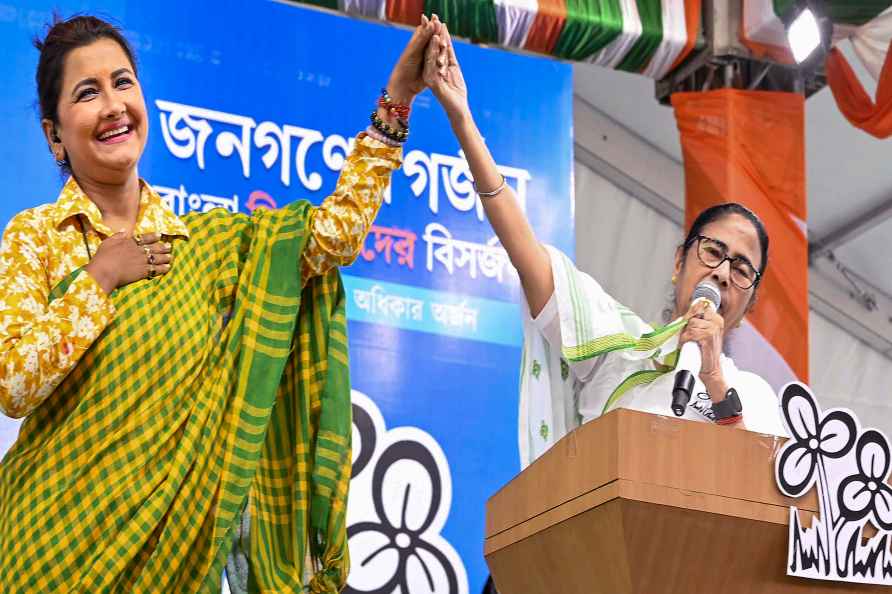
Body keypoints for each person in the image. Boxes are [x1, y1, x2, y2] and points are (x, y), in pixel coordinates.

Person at [0, 13, 444, 592]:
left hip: (176, 563)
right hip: (47, 554)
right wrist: (99, 278)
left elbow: (332, 237)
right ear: (54, 133)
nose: (113, 106)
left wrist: (397, 102)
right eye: (88, 93)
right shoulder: (34, 238)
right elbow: (13, 383)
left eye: (123, 82)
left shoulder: (204, 246)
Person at [421, 25, 785, 468]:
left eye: (743, 269)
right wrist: (463, 121)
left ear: (750, 303)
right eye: (713, 251)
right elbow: (528, 255)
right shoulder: (616, 350)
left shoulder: (757, 398)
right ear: (679, 261)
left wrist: (714, 382)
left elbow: (763, 499)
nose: (723, 272)